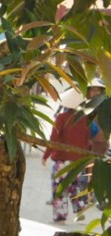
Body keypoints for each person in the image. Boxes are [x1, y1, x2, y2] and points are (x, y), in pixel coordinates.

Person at [42, 87, 99, 222]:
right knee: (75, 185)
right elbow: (90, 137)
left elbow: (54, 138)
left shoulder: (61, 118)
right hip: (78, 161)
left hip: (62, 160)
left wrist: (46, 155)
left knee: (59, 187)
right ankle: (79, 208)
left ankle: (60, 216)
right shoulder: (85, 119)